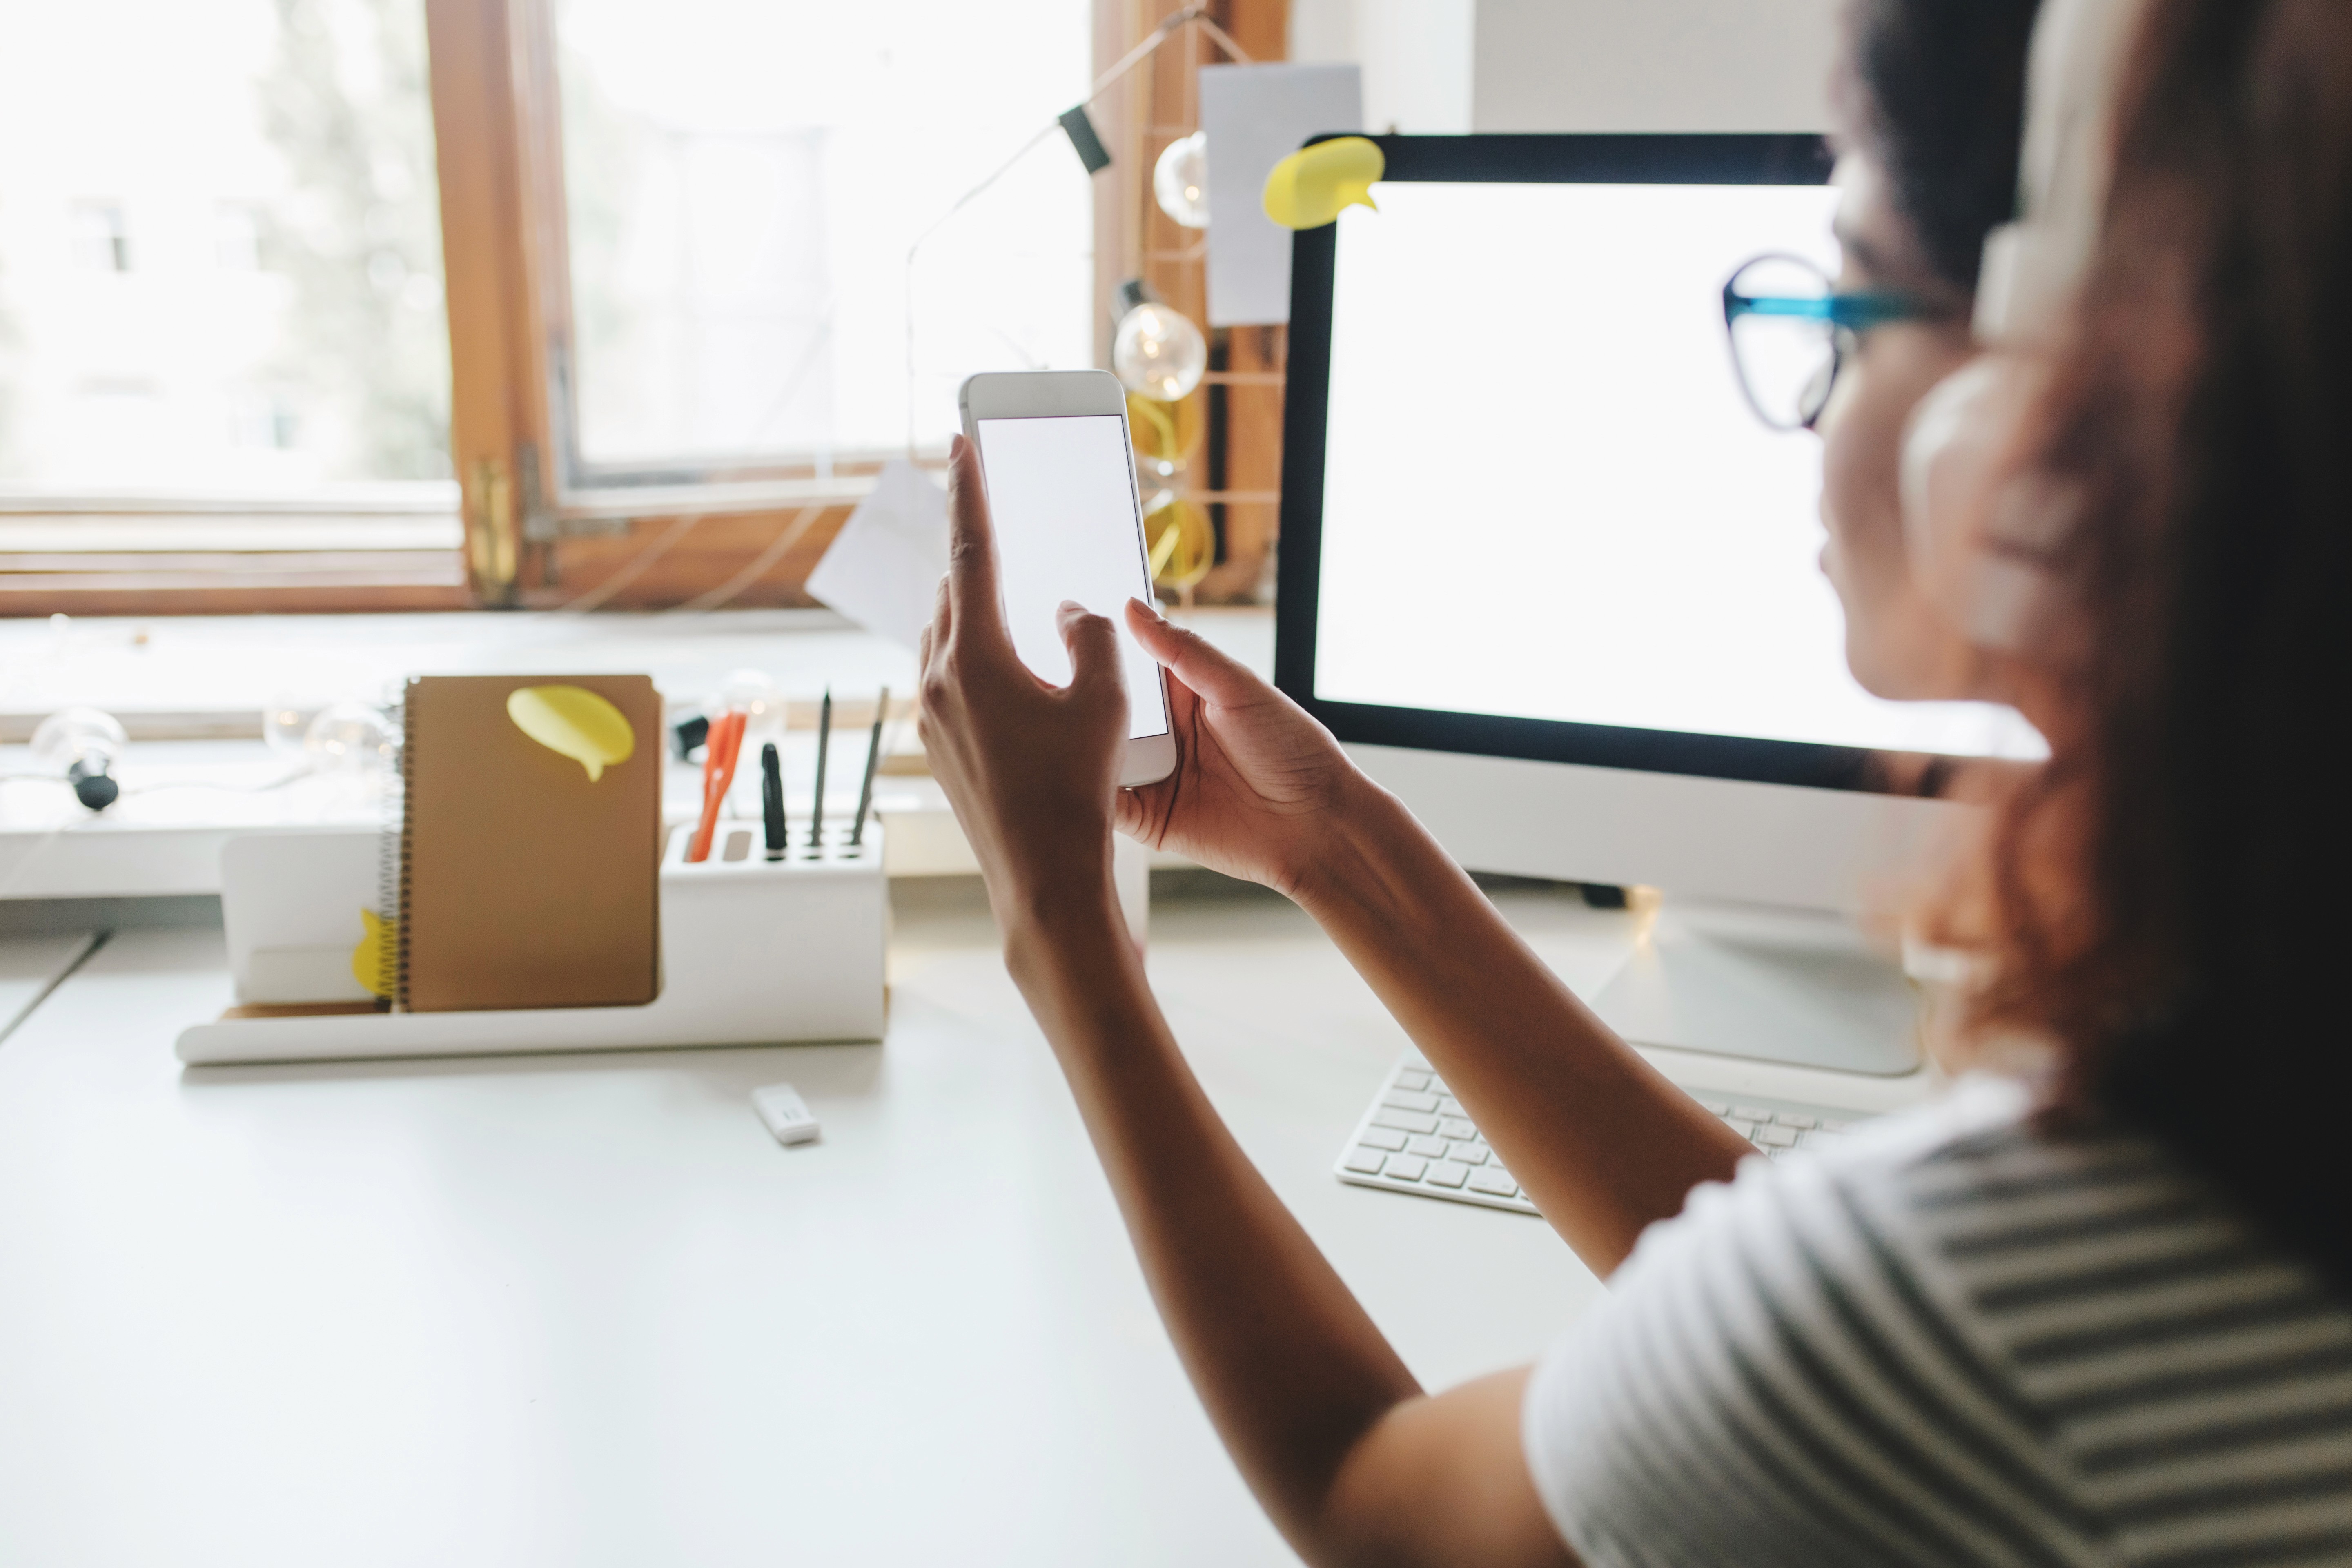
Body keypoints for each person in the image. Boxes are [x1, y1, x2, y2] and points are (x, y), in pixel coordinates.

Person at [915, 0, 2352, 1561]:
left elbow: (1379, 1508)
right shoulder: (2205, 1171)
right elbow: (1770, 1294)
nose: (1804, 398)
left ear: (2034, 425)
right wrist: (1335, 847)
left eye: (1844, 295)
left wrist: (1058, 920)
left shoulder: (1989, 1328)